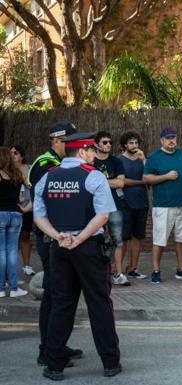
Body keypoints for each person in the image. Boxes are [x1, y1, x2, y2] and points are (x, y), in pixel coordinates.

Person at [33, 132, 121, 380]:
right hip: (88, 248)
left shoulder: (48, 177)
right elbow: (103, 215)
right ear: (81, 151)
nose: (95, 154)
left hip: (59, 248)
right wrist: (79, 238)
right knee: (99, 303)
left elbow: (38, 216)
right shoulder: (93, 176)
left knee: (61, 304)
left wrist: (58, 236)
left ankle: (54, 365)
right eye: (92, 150)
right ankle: (110, 362)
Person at [28, 122, 83, 367]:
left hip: (64, 236)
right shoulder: (44, 165)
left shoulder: (60, 164)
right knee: (53, 294)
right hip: (51, 236)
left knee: (65, 293)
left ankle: (57, 344)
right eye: (70, 141)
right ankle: (47, 350)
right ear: (59, 141)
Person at [143, 127, 182, 283]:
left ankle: (181, 269)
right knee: (159, 240)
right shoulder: (154, 157)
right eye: (168, 138)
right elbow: (146, 179)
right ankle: (156, 271)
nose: (172, 140)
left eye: (174, 137)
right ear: (162, 140)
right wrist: (166, 176)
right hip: (163, 206)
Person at [93, 131, 129, 286]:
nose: (108, 145)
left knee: (118, 240)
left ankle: (118, 273)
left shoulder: (116, 162)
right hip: (94, 207)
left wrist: (99, 181)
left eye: (110, 142)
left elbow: (121, 183)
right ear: (96, 144)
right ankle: (96, 274)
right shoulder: (90, 161)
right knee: (94, 239)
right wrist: (110, 181)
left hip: (115, 205)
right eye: (104, 142)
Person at [118, 131, 148, 279]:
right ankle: (118, 269)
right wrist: (140, 182)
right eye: (131, 143)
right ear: (125, 144)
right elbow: (123, 182)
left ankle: (133, 268)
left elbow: (149, 177)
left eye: (136, 143)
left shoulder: (141, 159)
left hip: (142, 203)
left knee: (138, 237)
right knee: (123, 238)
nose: (134, 146)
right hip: (125, 204)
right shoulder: (119, 161)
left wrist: (144, 161)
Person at [0, 147, 27, 298]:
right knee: (12, 252)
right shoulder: (17, 174)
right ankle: (15, 288)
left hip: (1, 214)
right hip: (16, 215)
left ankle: (1, 289)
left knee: (1, 252)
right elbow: (23, 197)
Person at [11, 145, 35, 276]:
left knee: (25, 236)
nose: (13, 155)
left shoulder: (30, 168)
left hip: (28, 207)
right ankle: (10, 268)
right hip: (11, 207)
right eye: (11, 153)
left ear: (22, 156)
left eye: (15, 152)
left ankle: (27, 266)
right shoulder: (5, 169)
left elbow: (33, 186)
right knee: (11, 239)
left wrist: (25, 180)